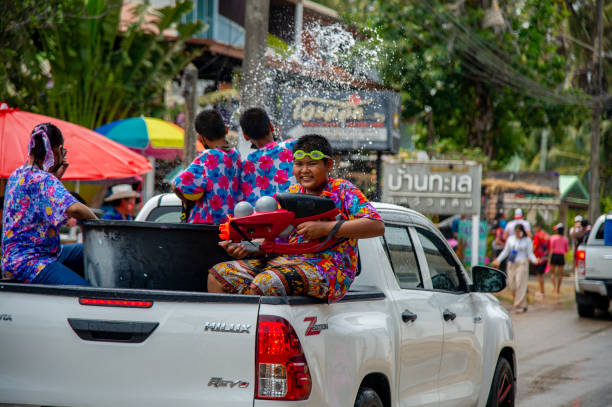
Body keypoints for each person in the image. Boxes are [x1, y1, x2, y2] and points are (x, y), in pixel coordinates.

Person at [208, 134, 385, 302]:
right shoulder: (291, 193)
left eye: (312, 164)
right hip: (287, 262)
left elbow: (376, 226)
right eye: (299, 164)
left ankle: (258, 330)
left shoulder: (343, 190)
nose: (304, 170)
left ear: (328, 165)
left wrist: (326, 228)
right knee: (219, 274)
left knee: (266, 283)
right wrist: (247, 246)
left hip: (330, 270)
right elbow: (274, 237)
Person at [2, 123, 98, 285]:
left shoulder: (17, 175)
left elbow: (38, 200)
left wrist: (55, 177)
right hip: (31, 261)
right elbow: (74, 208)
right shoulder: (43, 180)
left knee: (90, 251)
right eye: (63, 152)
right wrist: (98, 222)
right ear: (57, 150)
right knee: (87, 291)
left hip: (15, 258)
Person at [172, 109, 241, 224]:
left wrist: (186, 201)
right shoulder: (236, 155)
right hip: (230, 227)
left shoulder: (208, 156)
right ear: (226, 129)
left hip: (206, 227)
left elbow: (177, 184)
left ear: (200, 137)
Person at [239, 107, 296, 205]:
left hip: (264, 216)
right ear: (271, 126)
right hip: (296, 208)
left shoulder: (245, 165)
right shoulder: (293, 146)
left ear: (245, 136)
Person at [493, 224, 538, 313]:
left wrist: (534, 260)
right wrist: (498, 260)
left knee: (520, 284)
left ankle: (519, 305)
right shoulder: (511, 239)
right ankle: (523, 303)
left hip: (522, 263)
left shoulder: (527, 240)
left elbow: (530, 253)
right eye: (516, 231)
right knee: (512, 285)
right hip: (511, 264)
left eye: (519, 231)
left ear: (522, 231)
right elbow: (505, 251)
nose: (517, 233)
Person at [549, 223, 569, 296]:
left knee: (552, 273)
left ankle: (554, 287)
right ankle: (558, 289)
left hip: (554, 255)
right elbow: (566, 250)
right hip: (561, 256)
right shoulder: (565, 239)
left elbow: (551, 247)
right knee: (560, 275)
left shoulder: (553, 237)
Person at [532, 224, 550, 298]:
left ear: (538, 227)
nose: (534, 229)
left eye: (535, 228)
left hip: (538, 258)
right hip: (545, 258)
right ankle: (542, 291)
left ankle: (542, 292)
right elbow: (549, 247)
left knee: (539, 276)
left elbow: (535, 246)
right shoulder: (547, 235)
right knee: (541, 275)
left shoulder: (537, 235)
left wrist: (530, 253)